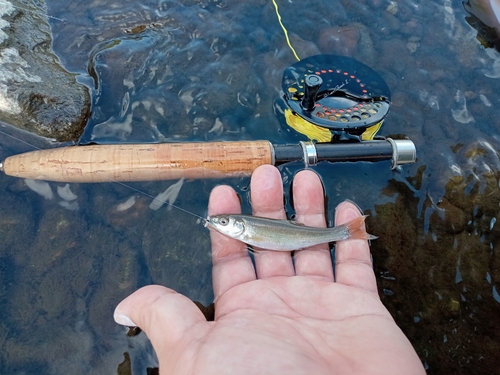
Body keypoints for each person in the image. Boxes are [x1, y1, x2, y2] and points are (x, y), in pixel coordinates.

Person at [114, 165, 426, 375]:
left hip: (299, 236)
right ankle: (348, 231)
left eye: (224, 223)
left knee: (335, 226)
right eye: (221, 223)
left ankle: (348, 231)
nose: (221, 225)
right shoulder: (243, 230)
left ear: (237, 226)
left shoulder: (246, 230)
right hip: (299, 239)